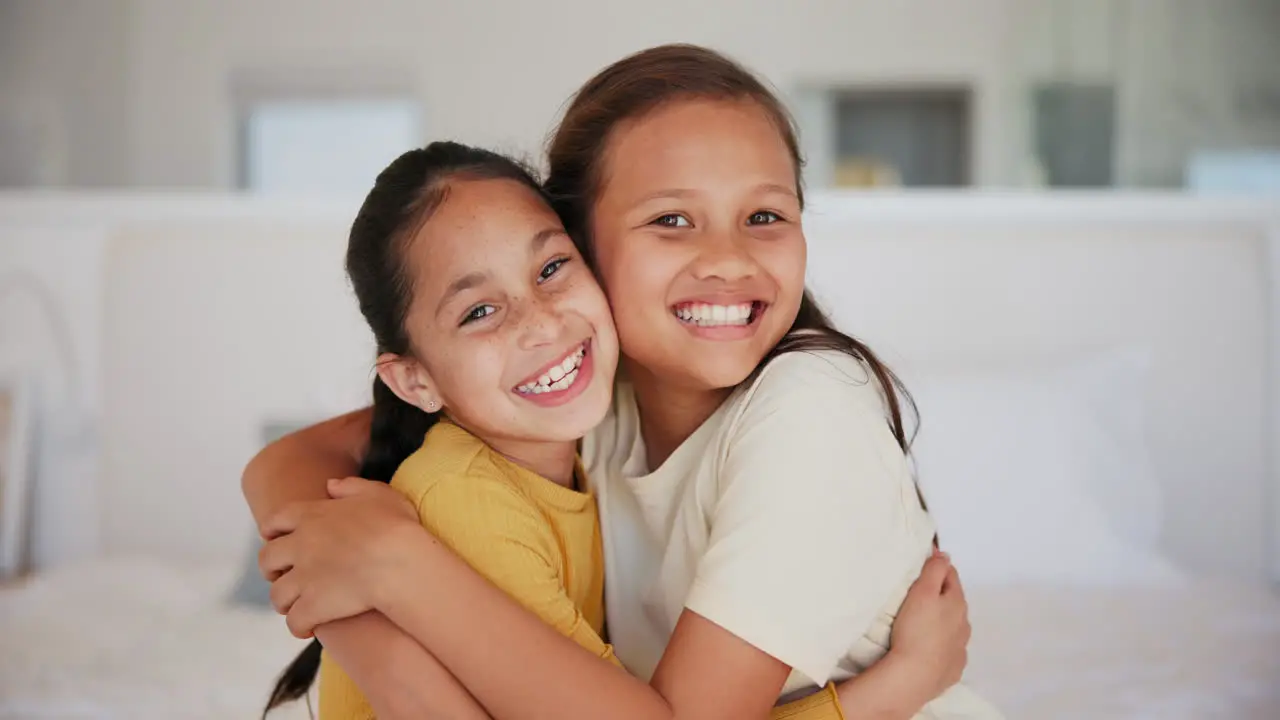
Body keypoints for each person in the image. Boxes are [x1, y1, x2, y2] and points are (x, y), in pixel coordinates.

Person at [251, 44, 1001, 719]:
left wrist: (394, 571)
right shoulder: (588, 393)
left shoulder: (809, 412)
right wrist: (364, 613)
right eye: (672, 220)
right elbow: (284, 464)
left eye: (765, 215)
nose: (729, 259)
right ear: (584, 244)